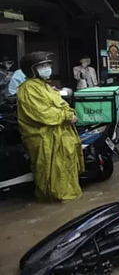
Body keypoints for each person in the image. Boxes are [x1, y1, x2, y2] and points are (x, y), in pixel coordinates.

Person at [17, 52, 84, 202]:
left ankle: (70, 200)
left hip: (60, 135)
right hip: (45, 138)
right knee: (52, 172)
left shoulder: (45, 86)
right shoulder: (28, 88)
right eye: (42, 66)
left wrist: (69, 113)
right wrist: (67, 116)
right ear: (32, 69)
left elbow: (60, 104)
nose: (47, 68)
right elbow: (42, 113)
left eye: (48, 65)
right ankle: (57, 201)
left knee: (65, 171)